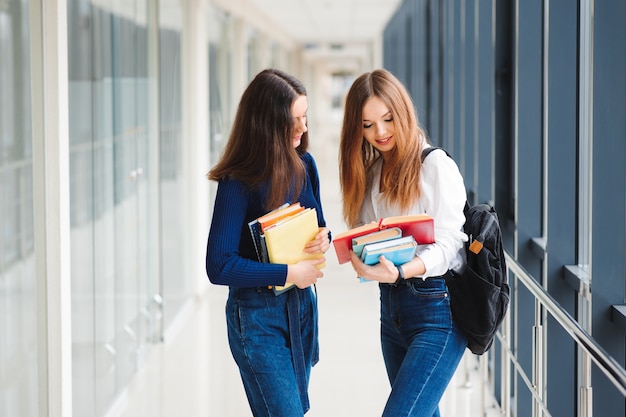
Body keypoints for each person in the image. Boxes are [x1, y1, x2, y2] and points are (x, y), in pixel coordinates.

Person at [338, 68, 468, 417]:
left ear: (403, 112)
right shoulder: (373, 174)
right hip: (392, 313)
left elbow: (451, 243)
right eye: (367, 125)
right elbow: (364, 232)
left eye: (387, 119)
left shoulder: (434, 166)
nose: (379, 132)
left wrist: (401, 271)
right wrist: (358, 256)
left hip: (436, 312)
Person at [205, 68, 330, 417]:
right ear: (266, 123)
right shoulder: (237, 182)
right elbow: (219, 265)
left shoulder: (305, 165)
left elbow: (319, 225)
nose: (303, 128)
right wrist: (290, 272)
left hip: (301, 309)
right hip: (258, 317)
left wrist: (323, 238)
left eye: (305, 117)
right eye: (293, 120)